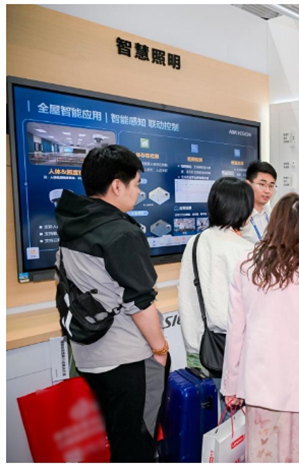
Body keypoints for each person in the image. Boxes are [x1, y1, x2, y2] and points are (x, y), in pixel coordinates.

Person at [55, 144, 170, 462]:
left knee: (119, 440)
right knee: (138, 444)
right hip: (127, 358)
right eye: (137, 184)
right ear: (117, 185)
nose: (139, 192)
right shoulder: (121, 233)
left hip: (88, 355)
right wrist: (161, 350)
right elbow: (140, 302)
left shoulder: (71, 221)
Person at [221, 192, 299, 463]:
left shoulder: (247, 264)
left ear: (273, 222)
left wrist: (231, 384)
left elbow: (236, 330)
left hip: (258, 382)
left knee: (262, 453)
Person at [178, 177, 254, 411]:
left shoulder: (195, 241)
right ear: (242, 208)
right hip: (230, 352)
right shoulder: (245, 250)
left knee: (207, 413)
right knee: (235, 419)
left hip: (197, 347)